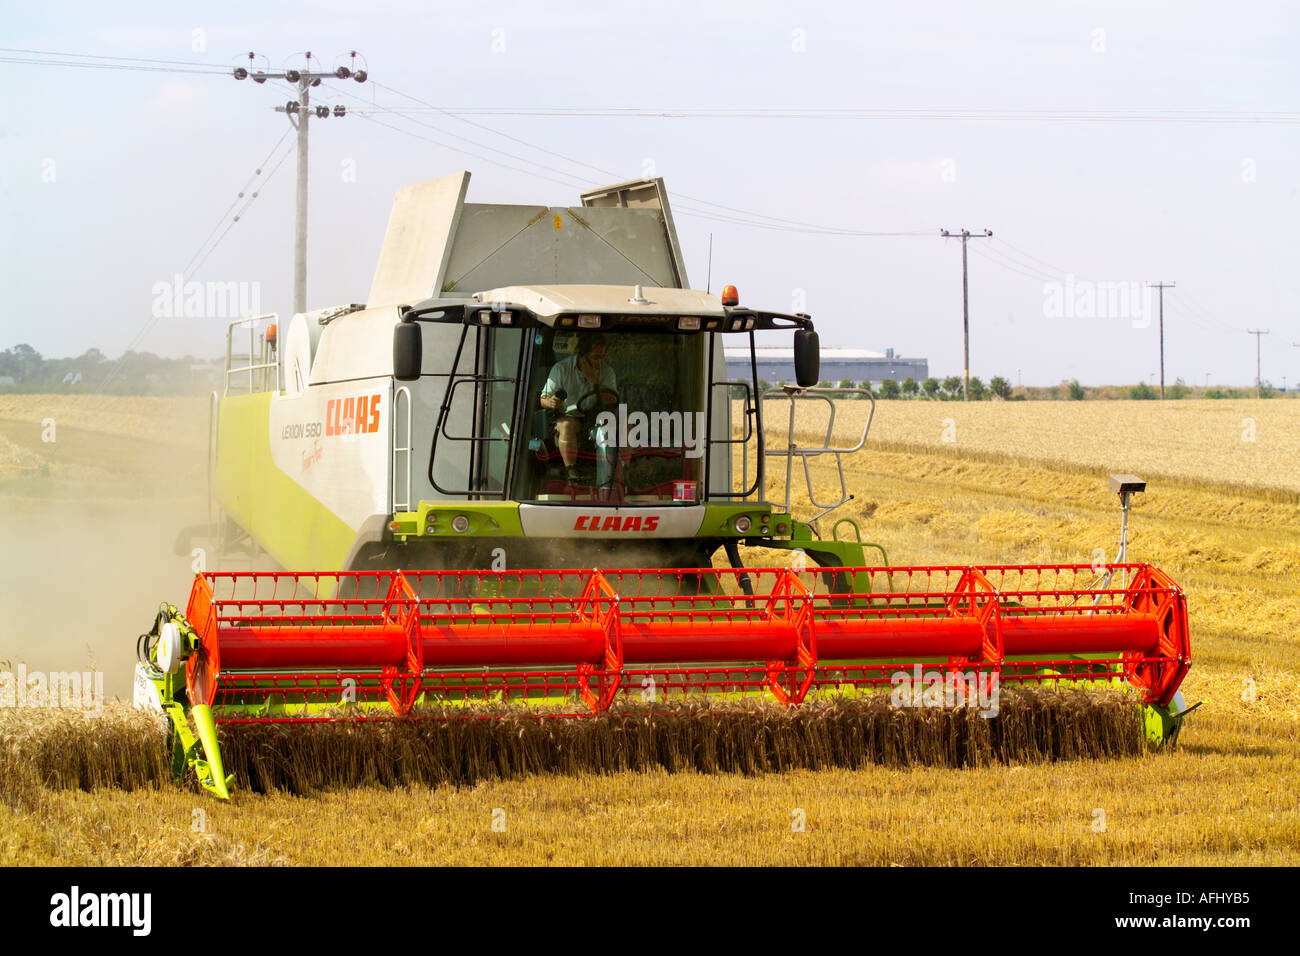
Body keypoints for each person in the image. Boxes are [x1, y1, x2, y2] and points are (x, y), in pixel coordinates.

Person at [539, 336, 620, 482]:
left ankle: (616, 475)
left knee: (620, 422)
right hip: (567, 416)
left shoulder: (606, 372)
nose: (599, 362)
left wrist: (593, 379)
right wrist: (551, 402)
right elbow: (543, 399)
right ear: (582, 355)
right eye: (595, 358)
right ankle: (572, 472)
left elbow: (612, 400)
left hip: (595, 417)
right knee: (567, 425)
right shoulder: (561, 369)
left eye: (602, 357)